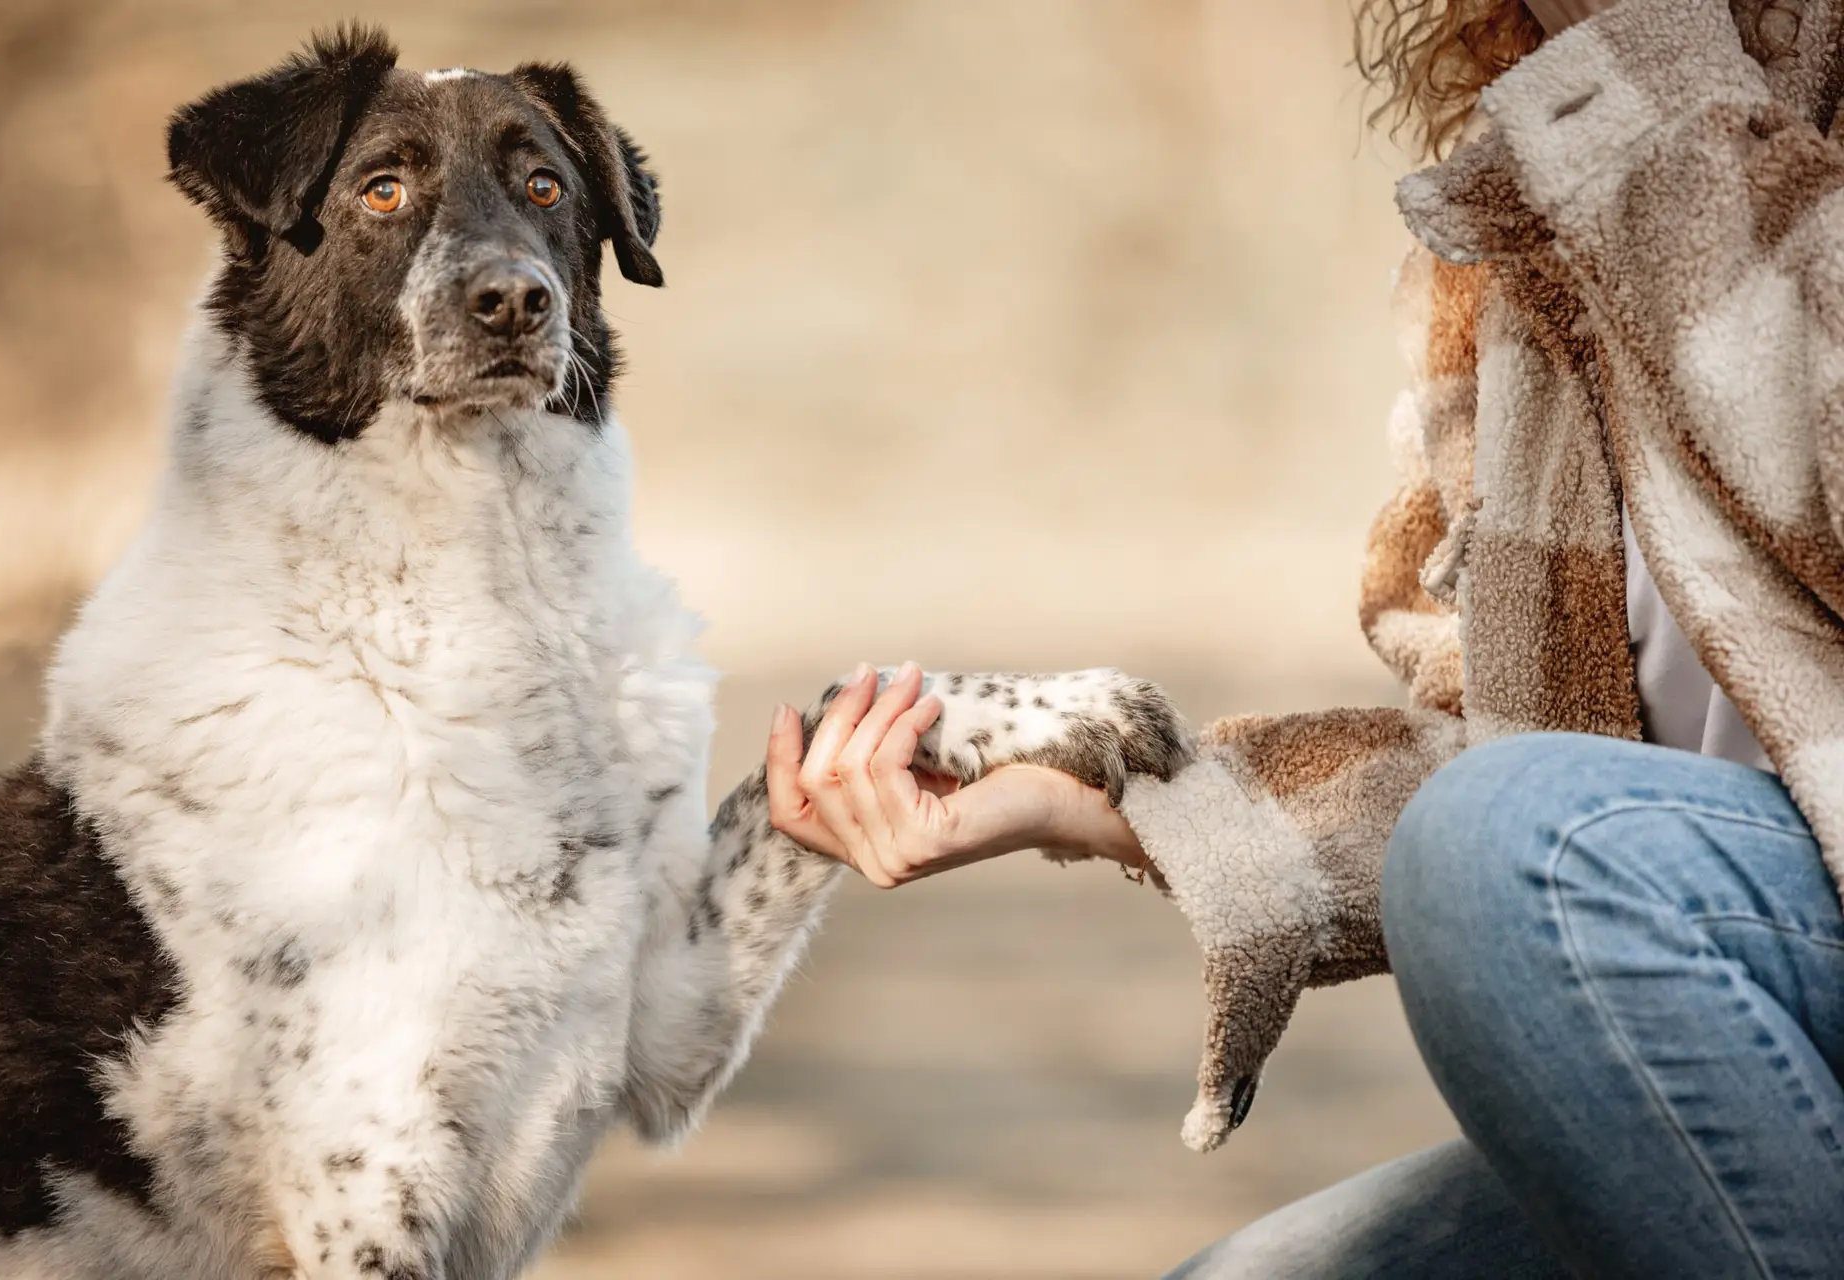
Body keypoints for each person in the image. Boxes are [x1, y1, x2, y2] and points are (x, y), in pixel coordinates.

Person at [765, 0, 1844, 1275]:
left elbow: (1548, 844)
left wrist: (1651, 99)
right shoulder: (1534, 193)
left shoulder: (1636, 124)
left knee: (1520, 843)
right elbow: (1550, 782)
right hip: (1770, 993)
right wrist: (1100, 790)